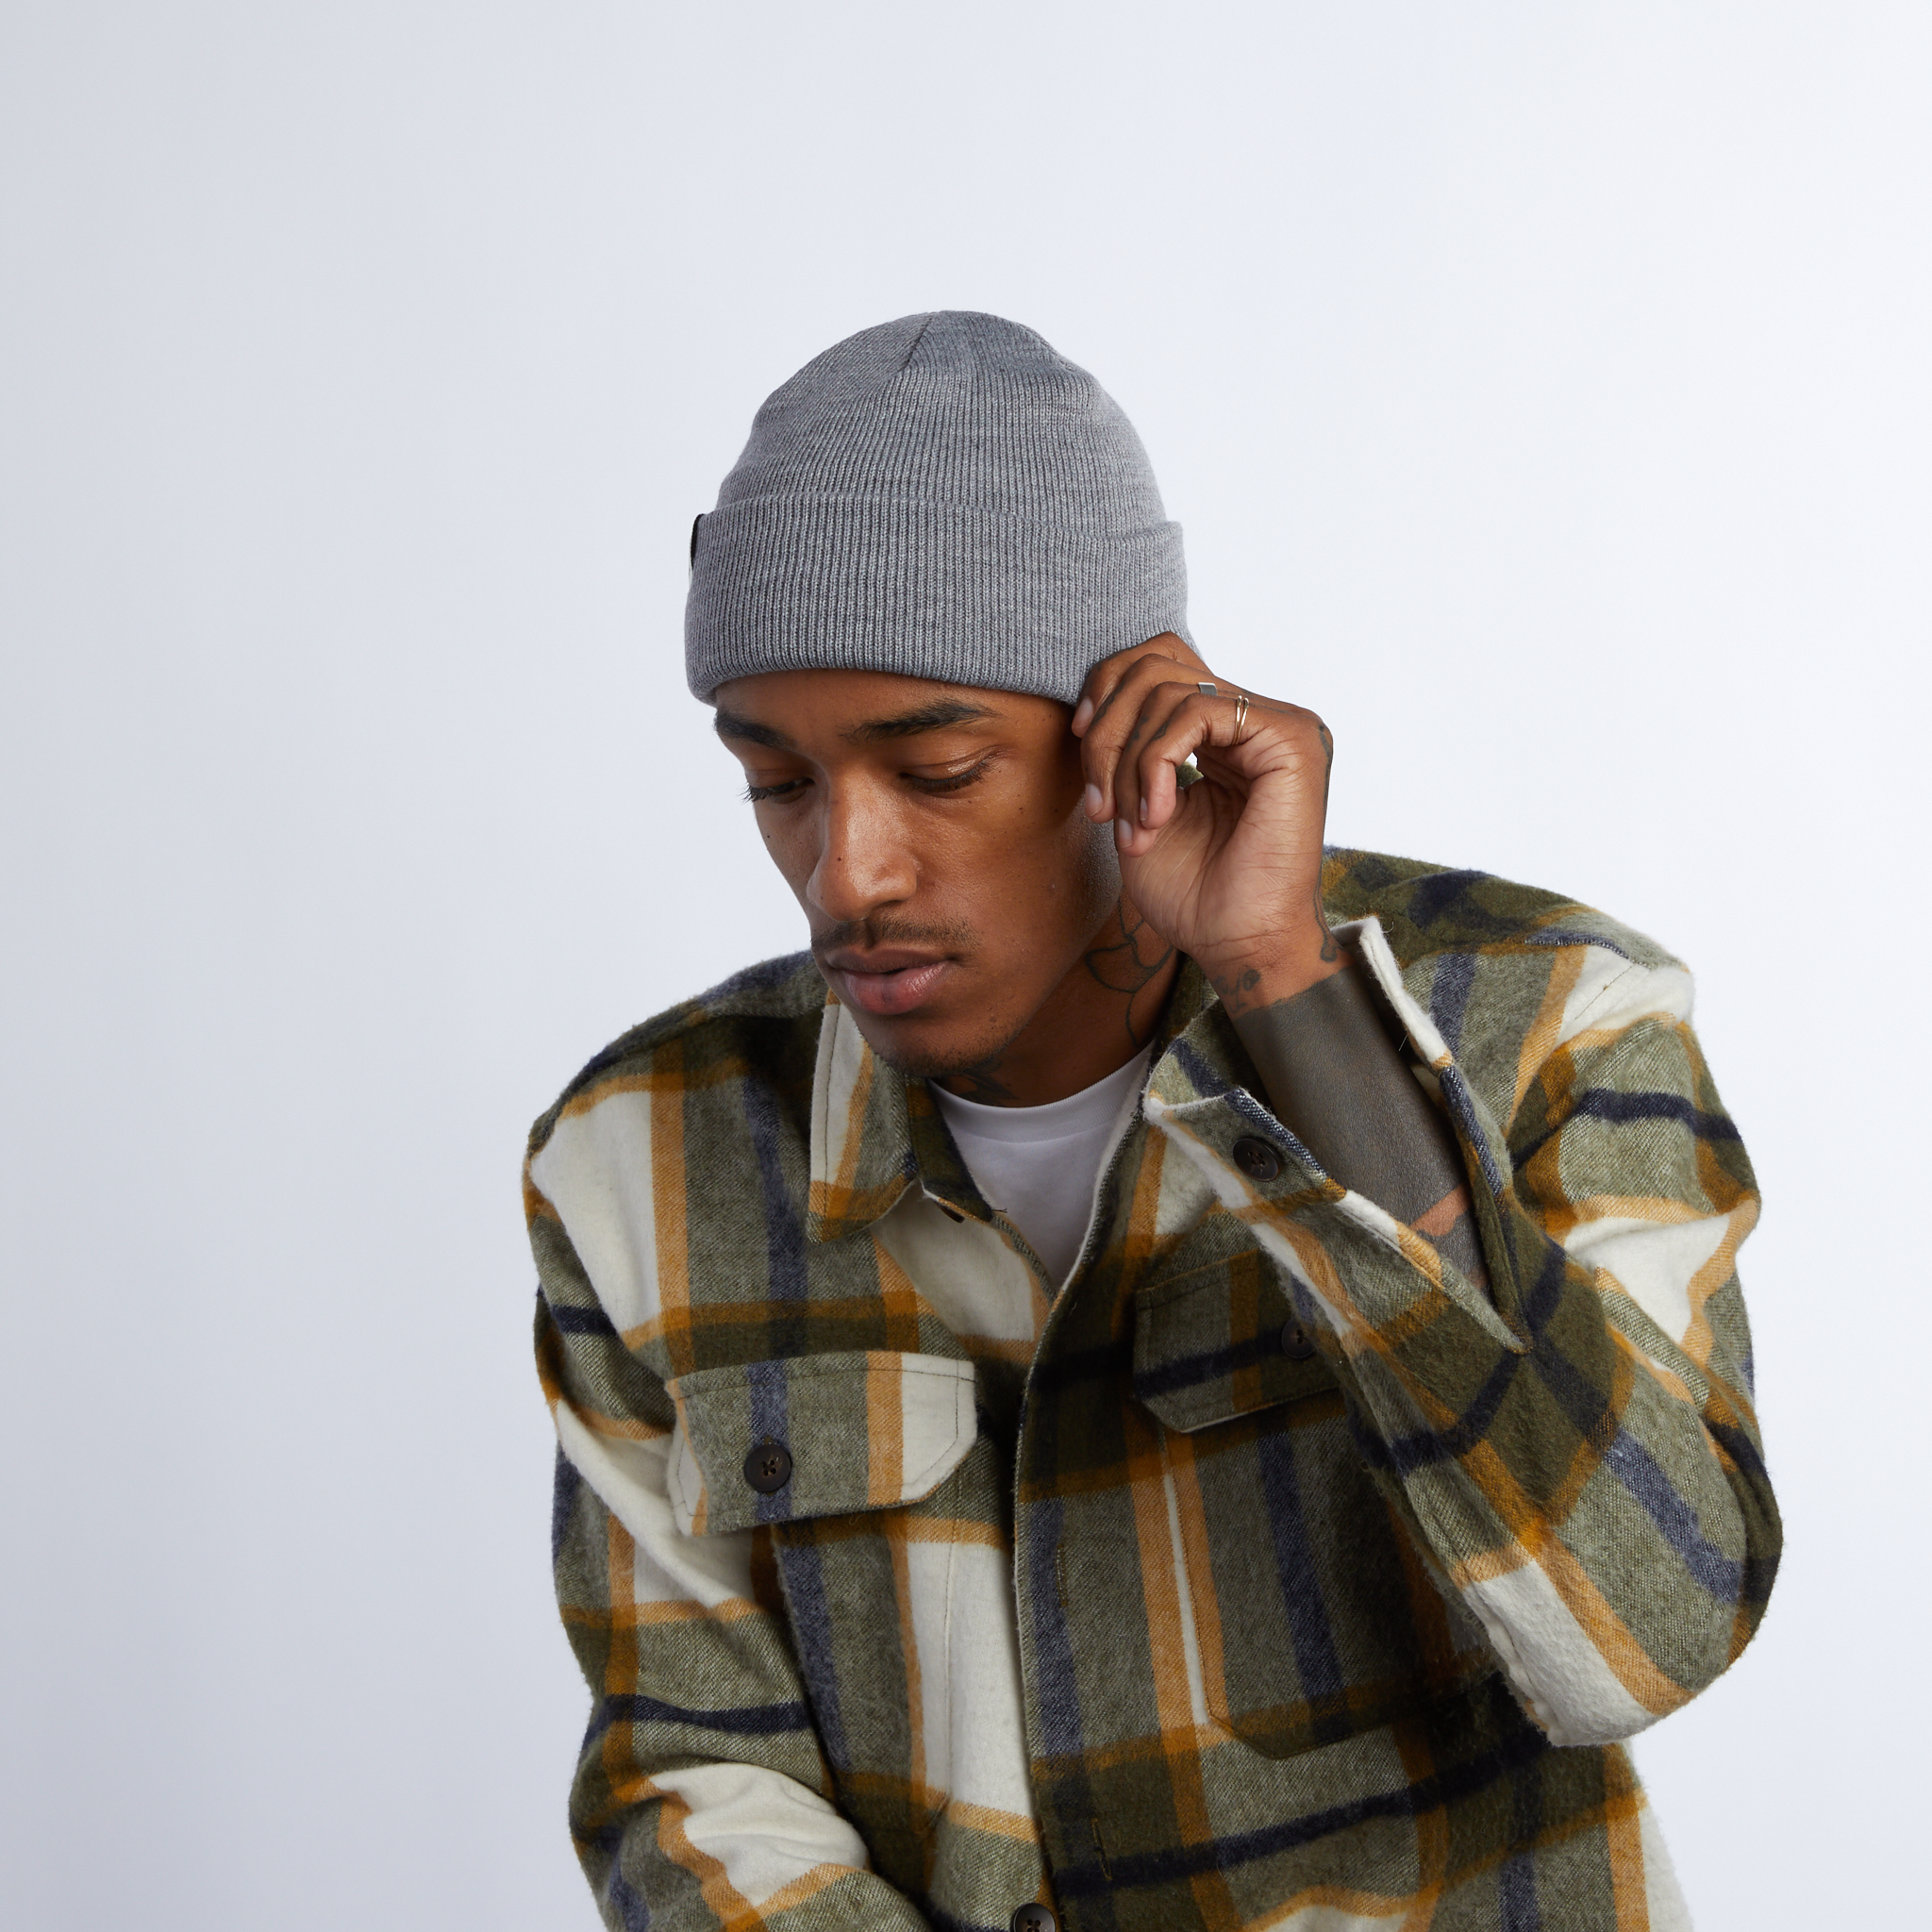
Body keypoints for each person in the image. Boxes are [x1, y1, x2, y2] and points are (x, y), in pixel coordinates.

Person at [525, 312, 1776, 1932]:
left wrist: (1290, 1000)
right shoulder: (638, 1159)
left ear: (1133, 734)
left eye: (940, 771)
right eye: (778, 784)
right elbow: (694, 1782)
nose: (849, 873)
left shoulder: (1554, 1020)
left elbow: (1651, 1633)